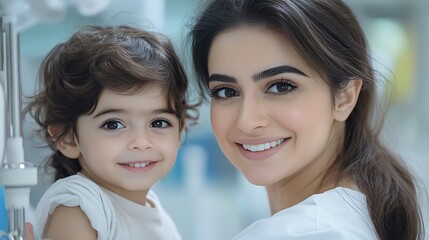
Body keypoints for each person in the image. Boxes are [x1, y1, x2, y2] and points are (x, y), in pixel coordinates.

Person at [189, 0, 424, 239]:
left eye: (281, 87)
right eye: (226, 92)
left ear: (344, 97)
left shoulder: (305, 231)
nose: (247, 121)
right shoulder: (356, 212)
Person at [26, 25, 197, 239]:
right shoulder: (80, 207)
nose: (141, 142)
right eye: (113, 124)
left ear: (180, 131)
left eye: (159, 123)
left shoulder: (154, 210)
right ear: (68, 138)